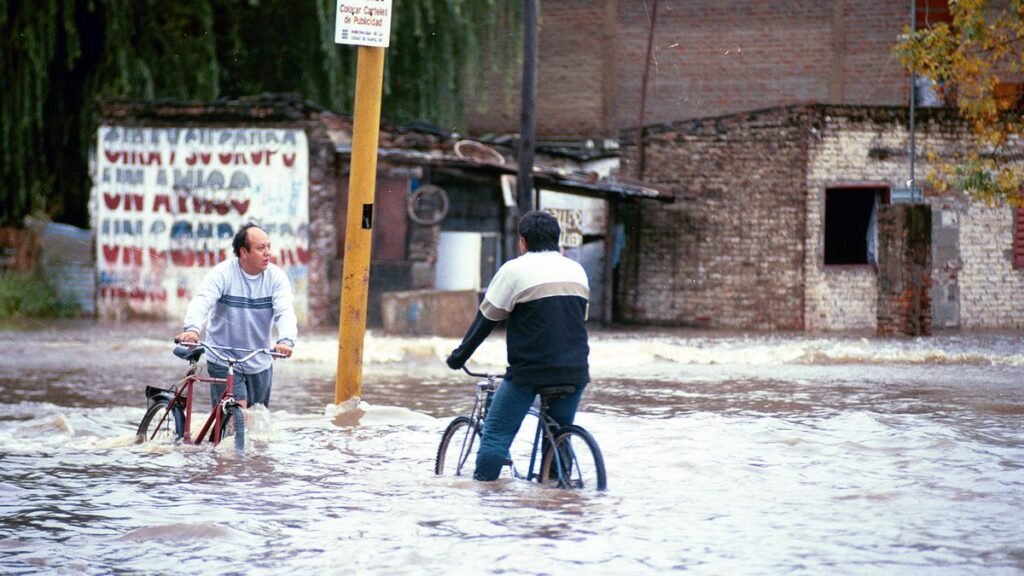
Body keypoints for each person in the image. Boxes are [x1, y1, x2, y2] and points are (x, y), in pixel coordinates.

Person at [446, 210, 590, 481]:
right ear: (557, 240)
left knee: (496, 434)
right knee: (558, 433)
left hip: (529, 373)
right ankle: (559, 492)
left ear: (522, 241)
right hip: (575, 370)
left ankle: (485, 494)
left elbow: (486, 321)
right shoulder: (577, 271)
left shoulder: (513, 271)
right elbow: (579, 319)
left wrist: (458, 357)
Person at [175, 222, 297, 409]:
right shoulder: (223, 273)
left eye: (268, 247)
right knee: (236, 412)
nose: (267, 253)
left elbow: (285, 311)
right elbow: (202, 301)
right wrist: (192, 329)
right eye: (260, 248)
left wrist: (286, 340)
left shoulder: (276, 278)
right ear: (244, 252)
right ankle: (229, 426)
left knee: (257, 419)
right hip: (223, 358)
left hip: (259, 361)